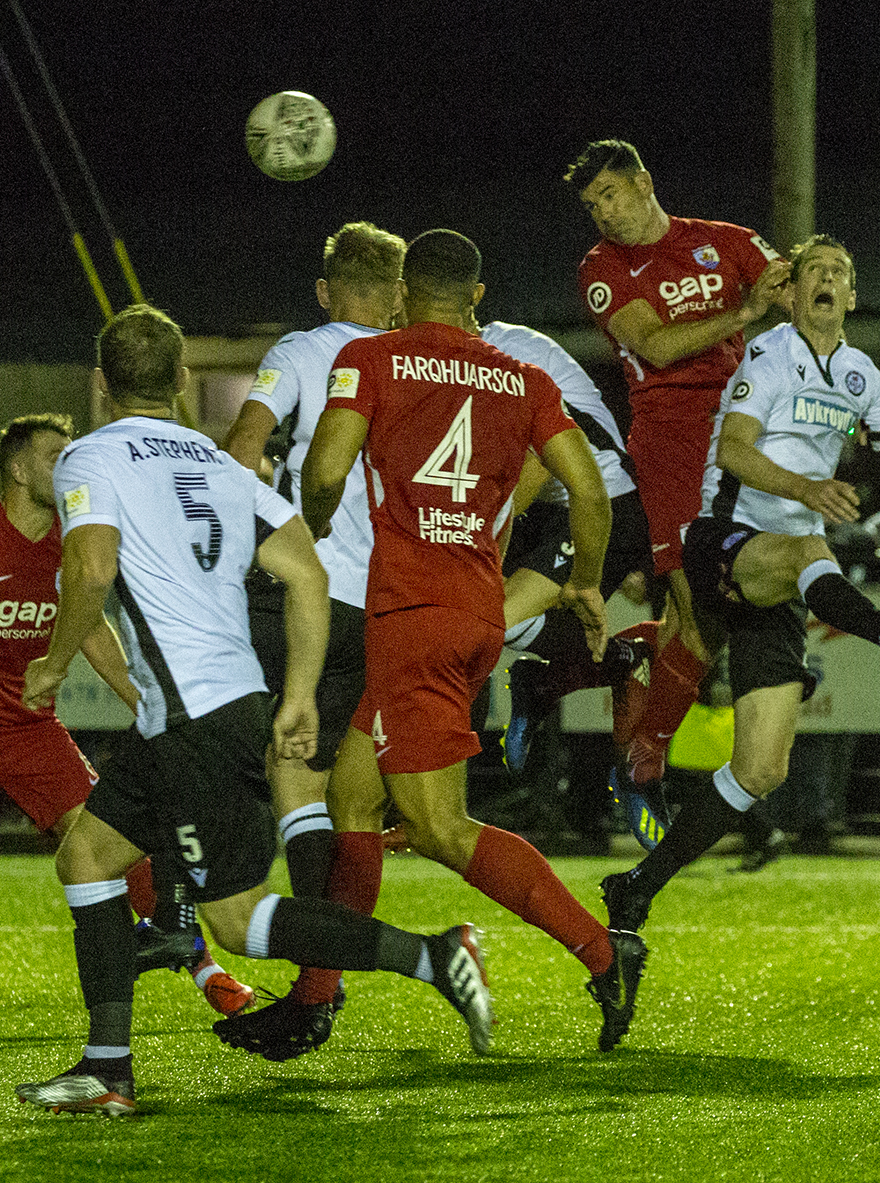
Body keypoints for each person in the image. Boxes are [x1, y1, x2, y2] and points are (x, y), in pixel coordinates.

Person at [12, 305, 492, 1117]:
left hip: (194, 721)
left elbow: (91, 568)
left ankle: (433, 956)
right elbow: (306, 571)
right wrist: (298, 692)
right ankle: (106, 1067)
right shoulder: (219, 461)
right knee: (87, 857)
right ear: (183, 382)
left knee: (236, 921)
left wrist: (53, 662)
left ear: (100, 385)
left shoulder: (90, 456)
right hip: (217, 706)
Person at [600, 235, 880, 948]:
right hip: (725, 540)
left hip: (781, 575)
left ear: (850, 297)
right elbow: (732, 449)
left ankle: (636, 886)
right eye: (813, 270)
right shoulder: (769, 354)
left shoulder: (861, 377)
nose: (825, 280)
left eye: (838, 273)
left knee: (760, 769)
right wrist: (806, 487)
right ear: (793, 291)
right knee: (811, 544)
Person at [279, 229, 646, 1059]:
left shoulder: (372, 358)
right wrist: (585, 579)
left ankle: (602, 949)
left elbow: (329, 467)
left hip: (412, 616)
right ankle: (316, 994)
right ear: (479, 296)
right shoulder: (521, 375)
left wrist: (320, 517)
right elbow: (589, 488)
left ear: (405, 291)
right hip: (475, 609)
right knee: (352, 799)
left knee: (441, 827)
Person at [0, 414, 252, 1036]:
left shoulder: (73, 539)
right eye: (53, 455)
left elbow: (91, 625)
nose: (68, 465)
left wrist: (142, 700)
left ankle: (204, 970)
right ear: (18, 469)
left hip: (28, 724)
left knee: (108, 833)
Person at [567, 139, 794, 793]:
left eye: (609, 194)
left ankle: (628, 679)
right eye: (591, 205)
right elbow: (658, 347)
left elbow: (790, 280)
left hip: (742, 435)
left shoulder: (720, 240)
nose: (603, 213)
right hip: (670, 441)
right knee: (699, 610)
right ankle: (648, 753)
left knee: (712, 613)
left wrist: (809, 292)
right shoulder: (603, 269)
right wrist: (747, 310)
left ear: (643, 181)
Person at [218, 221, 405, 971]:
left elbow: (242, 447)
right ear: (398, 297)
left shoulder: (298, 352)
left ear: (324, 291)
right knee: (348, 791)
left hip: (311, 593)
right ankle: (326, 961)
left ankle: (307, 959)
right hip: (394, 602)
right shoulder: (415, 358)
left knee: (264, 763)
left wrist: (248, 538)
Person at [479, 317, 652, 777]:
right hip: (547, 508)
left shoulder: (509, 353)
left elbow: (537, 465)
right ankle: (599, 666)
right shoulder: (443, 363)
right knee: (468, 617)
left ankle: (622, 662)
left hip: (603, 501)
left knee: (482, 619)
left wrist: (473, 542)